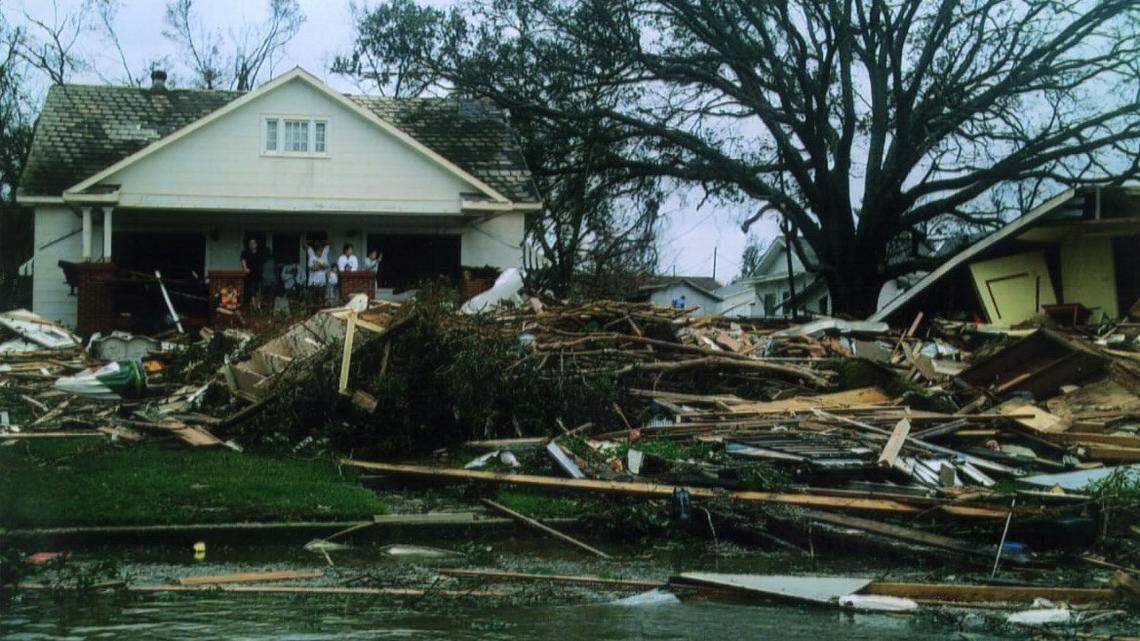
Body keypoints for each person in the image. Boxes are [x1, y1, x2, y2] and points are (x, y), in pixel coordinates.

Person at [307, 238, 336, 303]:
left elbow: (327, 266)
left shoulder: (324, 257)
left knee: (322, 297)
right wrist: (321, 266)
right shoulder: (312, 257)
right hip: (314, 282)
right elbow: (312, 268)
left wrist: (319, 266)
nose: (320, 252)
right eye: (319, 251)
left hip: (322, 281)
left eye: (321, 251)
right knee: (314, 298)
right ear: (316, 252)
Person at [240, 237, 265, 310]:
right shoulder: (245, 252)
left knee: (258, 291)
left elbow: (261, 263)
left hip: (258, 274)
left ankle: (258, 306)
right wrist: (245, 268)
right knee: (252, 291)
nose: (252, 245)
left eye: (253, 243)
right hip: (250, 275)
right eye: (250, 243)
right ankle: (253, 307)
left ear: (256, 244)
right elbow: (243, 260)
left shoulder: (259, 253)